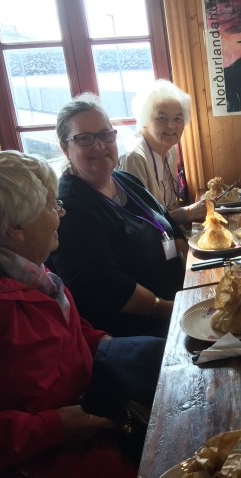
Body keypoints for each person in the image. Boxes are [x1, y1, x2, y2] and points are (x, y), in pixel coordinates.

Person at [0, 150, 158, 478]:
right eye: (51, 205)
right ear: (15, 227)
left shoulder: (26, 269)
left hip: (89, 410)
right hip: (46, 456)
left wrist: (98, 340)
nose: (62, 211)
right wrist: (52, 428)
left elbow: (59, 325)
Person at [47, 93, 185, 338]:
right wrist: (170, 309)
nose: (99, 145)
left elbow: (169, 225)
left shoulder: (124, 180)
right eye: (84, 138)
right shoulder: (68, 207)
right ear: (65, 148)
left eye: (105, 135)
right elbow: (103, 286)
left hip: (179, 299)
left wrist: (197, 276)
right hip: (142, 330)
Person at [119, 79, 206, 223]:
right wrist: (186, 213)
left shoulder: (171, 151)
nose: (171, 125)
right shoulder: (134, 158)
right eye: (162, 118)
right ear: (145, 120)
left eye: (178, 118)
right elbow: (140, 220)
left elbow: (169, 206)